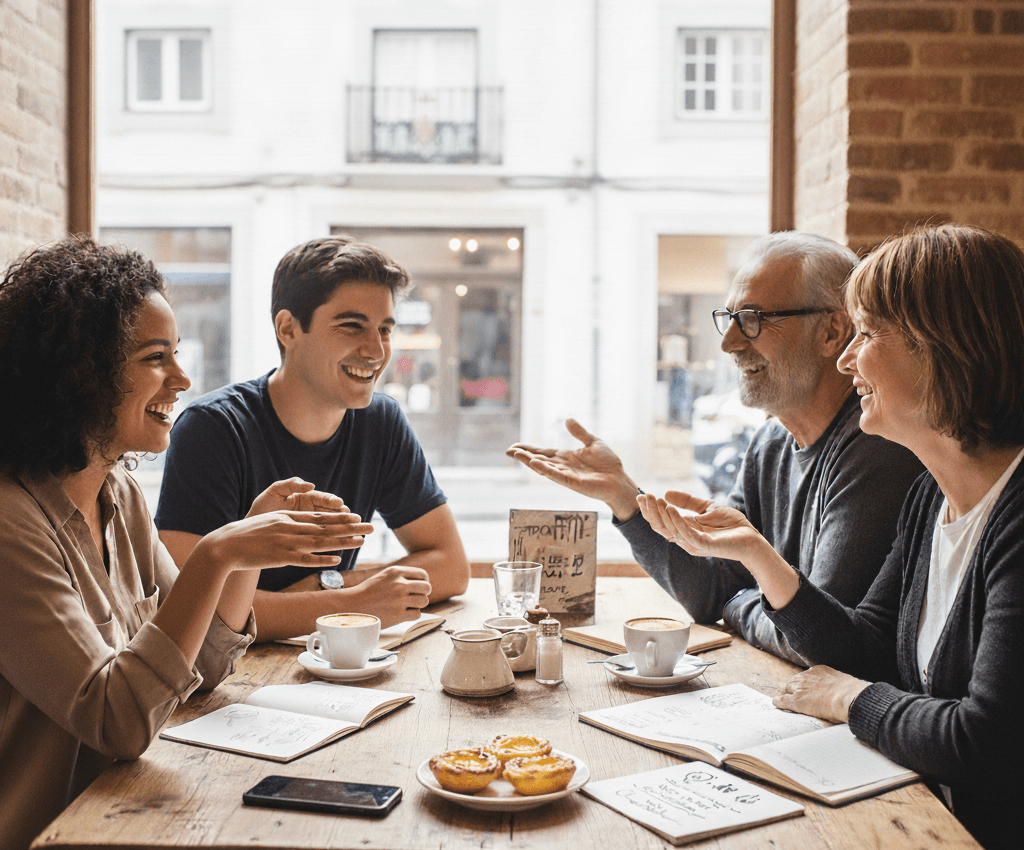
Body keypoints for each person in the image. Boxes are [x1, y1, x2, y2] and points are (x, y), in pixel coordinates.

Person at [640, 224, 1023, 850]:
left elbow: (985, 746)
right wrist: (759, 557)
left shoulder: (1014, 514)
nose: (848, 360)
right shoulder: (933, 495)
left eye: (867, 334)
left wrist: (852, 700)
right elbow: (864, 648)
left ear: (944, 348)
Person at [0, 237, 370, 850]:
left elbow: (201, 668)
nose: (183, 376)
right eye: (155, 357)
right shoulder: (12, 522)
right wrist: (220, 551)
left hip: (124, 815)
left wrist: (247, 552)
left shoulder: (117, 492)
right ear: (79, 375)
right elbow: (116, 720)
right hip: (51, 831)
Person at [507, 232, 924, 664]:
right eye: (729, 317)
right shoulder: (772, 441)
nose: (729, 343)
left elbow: (817, 639)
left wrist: (737, 604)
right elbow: (712, 587)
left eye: (753, 318)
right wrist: (623, 497)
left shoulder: (876, 446)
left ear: (832, 332)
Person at [156, 236, 471, 641]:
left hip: (335, 666)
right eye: (351, 326)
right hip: (229, 682)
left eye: (386, 330)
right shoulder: (212, 429)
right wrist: (354, 603)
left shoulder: (381, 420)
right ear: (288, 329)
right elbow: (191, 611)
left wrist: (331, 583)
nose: (376, 351)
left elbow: (451, 566)